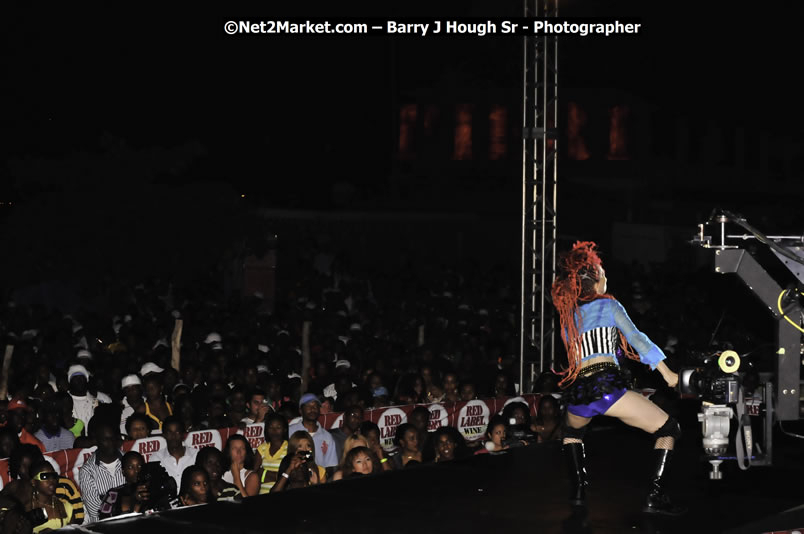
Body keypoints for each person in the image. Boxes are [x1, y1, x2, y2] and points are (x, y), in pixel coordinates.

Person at [551, 241, 683, 515]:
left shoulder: (569, 316)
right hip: (605, 386)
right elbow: (637, 339)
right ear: (596, 280)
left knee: (572, 432)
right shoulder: (609, 305)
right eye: (604, 273)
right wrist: (668, 373)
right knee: (669, 429)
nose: (607, 278)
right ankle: (655, 496)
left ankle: (578, 491)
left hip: (579, 391)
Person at [78, 420, 126, 523]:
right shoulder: (87, 471)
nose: (111, 442)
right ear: (96, 441)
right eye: (106, 439)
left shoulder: (129, 462)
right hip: (103, 527)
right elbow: (95, 512)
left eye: (113, 438)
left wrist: (106, 501)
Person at [288, 394, 338, 472]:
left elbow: (331, 465)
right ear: (300, 410)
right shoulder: (290, 431)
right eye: (308, 406)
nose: (312, 409)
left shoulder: (327, 437)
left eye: (315, 406)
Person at [27, 460, 77, 532]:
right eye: (45, 476)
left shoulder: (67, 507)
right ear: (33, 482)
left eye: (53, 476)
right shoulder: (26, 508)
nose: (51, 480)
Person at [98, 451, 150, 519]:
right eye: (131, 467)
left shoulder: (150, 490)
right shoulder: (113, 494)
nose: (136, 470)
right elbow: (104, 520)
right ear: (123, 471)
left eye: (139, 466)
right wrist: (136, 503)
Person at [248, 413, 288, 495]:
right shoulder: (262, 448)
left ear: (284, 429)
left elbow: (289, 477)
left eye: (278, 427)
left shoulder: (289, 447)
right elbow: (254, 475)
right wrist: (279, 476)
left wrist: (263, 473)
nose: (274, 431)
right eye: (271, 427)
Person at [153, 416, 197, 489]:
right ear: (164, 435)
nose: (173, 436)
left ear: (183, 434)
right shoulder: (156, 458)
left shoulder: (196, 455)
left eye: (177, 432)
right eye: (169, 432)